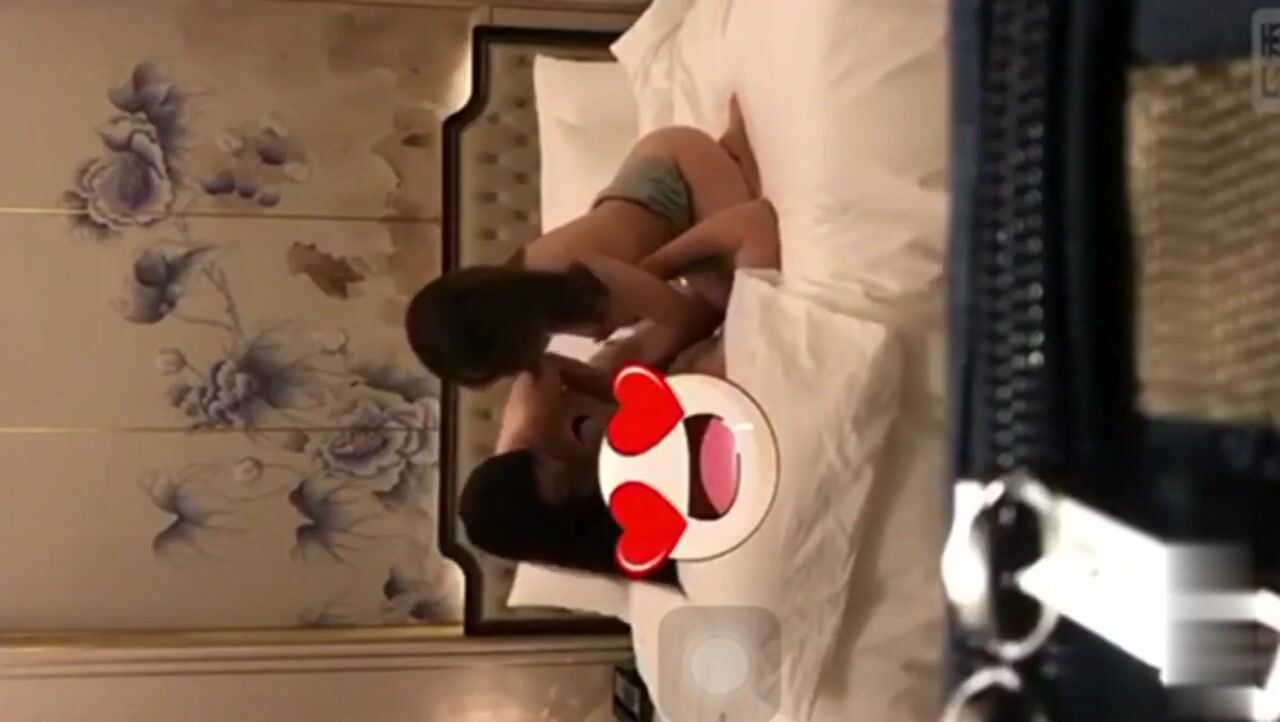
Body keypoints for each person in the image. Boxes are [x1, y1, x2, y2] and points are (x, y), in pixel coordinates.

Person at [405, 99, 764, 388]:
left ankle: (735, 156)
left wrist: (614, 357)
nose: (516, 371)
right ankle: (730, 167)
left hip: (678, 170)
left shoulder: (568, 268)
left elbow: (680, 314)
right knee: (674, 339)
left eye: (504, 365)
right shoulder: (543, 302)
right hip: (660, 211)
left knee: (737, 300)